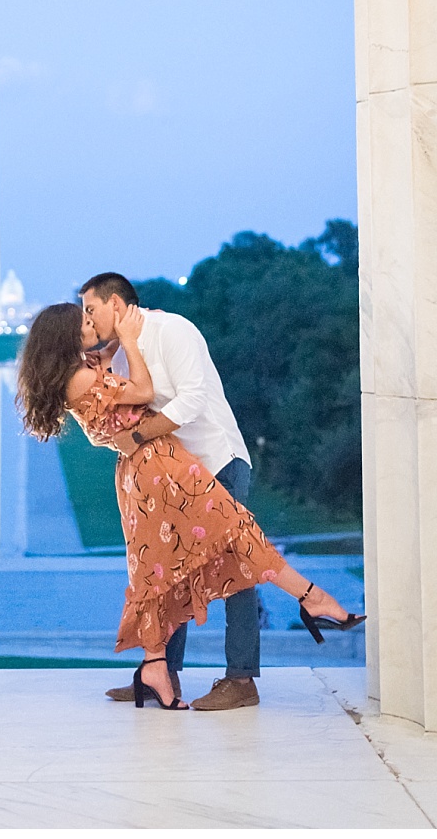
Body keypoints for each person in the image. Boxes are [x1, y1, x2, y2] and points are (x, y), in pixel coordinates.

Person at [15, 300, 363, 711]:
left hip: (150, 469)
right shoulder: (79, 377)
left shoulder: (80, 370)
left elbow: (107, 406)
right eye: (85, 322)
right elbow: (142, 391)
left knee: (168, 565)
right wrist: (129, 341)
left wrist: (110, 352)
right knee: (230, 535)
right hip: (158, 468)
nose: (93, 325)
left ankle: (158, 667)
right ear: (67, 336)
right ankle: (310, 599)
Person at [78, 272, 266, 712]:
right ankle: (165, 677)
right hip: (176, 478)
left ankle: (241, 679)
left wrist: (139, 437)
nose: (86, 319)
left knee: (236, 574)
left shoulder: (173, 330)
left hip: (219, 464)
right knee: (168, 572)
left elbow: (192, 401)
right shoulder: (122, 357)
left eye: (91, 309)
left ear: (117, 305)